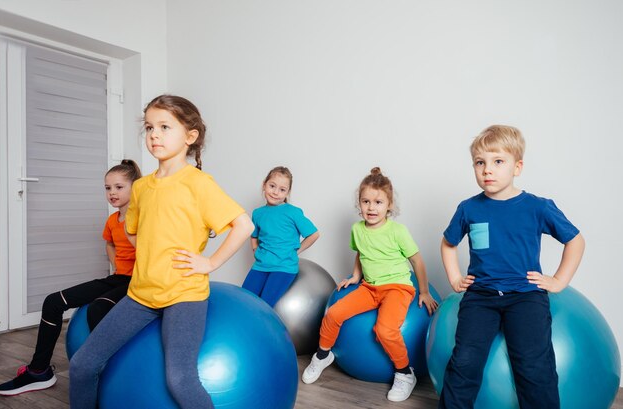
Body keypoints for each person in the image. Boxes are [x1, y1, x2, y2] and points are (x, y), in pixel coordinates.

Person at [68, 95, 254, 409]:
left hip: (184, 294)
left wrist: (209, 262)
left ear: (190, 136)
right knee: (81, 365)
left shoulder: (198, 184)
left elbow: (244, 225)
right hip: (141, 294)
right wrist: (153, 254)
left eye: (165, 127)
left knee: (179, 379)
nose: (155, 134)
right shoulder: (140, 188)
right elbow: (133, 230)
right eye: (150, 127)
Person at [438, 125, 585, 409]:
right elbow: (448, 243)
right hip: (481, 296)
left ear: (517, 167)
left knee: (534, 366)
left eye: (498, 162)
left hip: (526, 296)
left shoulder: (538, 207)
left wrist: (558, 280)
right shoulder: (469, 208)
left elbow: (576, 241)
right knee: (464, 361)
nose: (487, 170)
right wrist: (455, 277)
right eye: (480, 163)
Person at [0, 159, 141, 396]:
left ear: (135, 187)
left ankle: (110, 375)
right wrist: (115, 263)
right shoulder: (112, 221)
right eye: (107, 188)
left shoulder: (144, 217)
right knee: (53, 301)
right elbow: (109, 243)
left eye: (119, 187)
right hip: (117, 278)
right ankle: (39, 371)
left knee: (98, 308)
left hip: (137, 282)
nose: (112, 192)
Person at [302, 167, 438, 402]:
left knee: (384, 330)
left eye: (378, 202)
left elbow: (416, 260)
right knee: (334, 313)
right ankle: (323, 355)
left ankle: (405, 373)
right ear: (359, 204)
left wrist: (424, 291)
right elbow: (360, 253)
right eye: (366, 201)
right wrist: (356, 276)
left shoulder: (397, 231)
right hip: (369, 287)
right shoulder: (357, 229)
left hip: (397, 287)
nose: (371, 207)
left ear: (389, 205)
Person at [242, 166, 319, 307]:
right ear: (264, 185)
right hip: (261, 265)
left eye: (282, 190)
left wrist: (297, 250)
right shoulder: (258, 213)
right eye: (272, 186)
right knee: (244, 299)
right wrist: (255, 250)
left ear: (287, 193)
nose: (276, 192)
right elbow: (253, 235)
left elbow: (314, 234)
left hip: (284, 267)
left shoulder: (293, 212)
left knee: (264, 305)